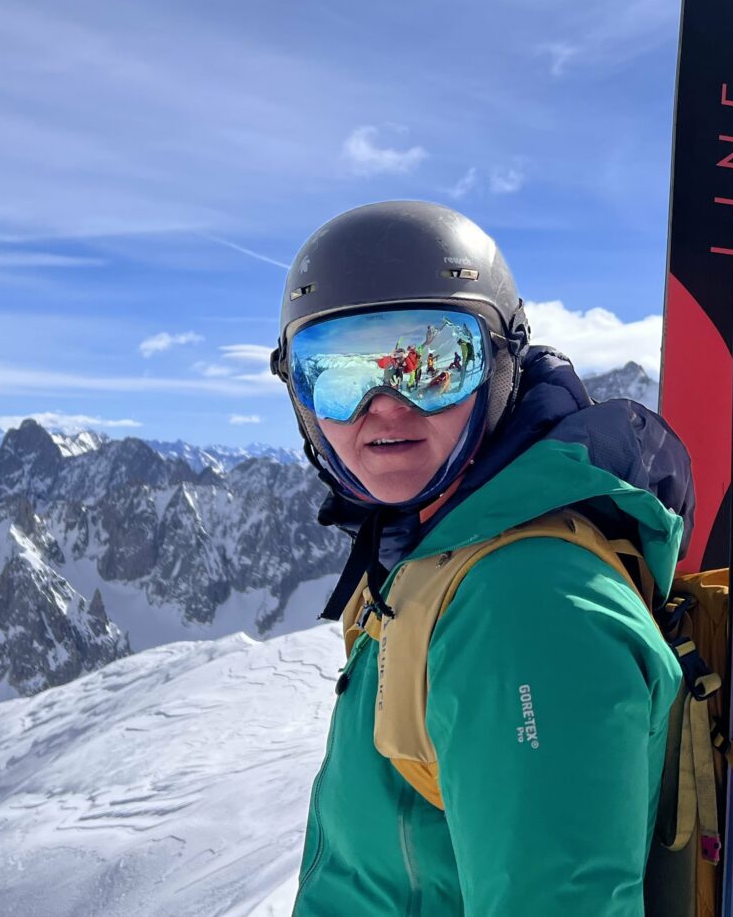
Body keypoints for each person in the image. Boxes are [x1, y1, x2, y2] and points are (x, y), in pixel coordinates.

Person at [270, 199, 695, 916]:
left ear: (500, 366)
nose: (385, 405)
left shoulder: (524, 602)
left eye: (432, 364)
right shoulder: (438, 550)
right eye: (337, 374)